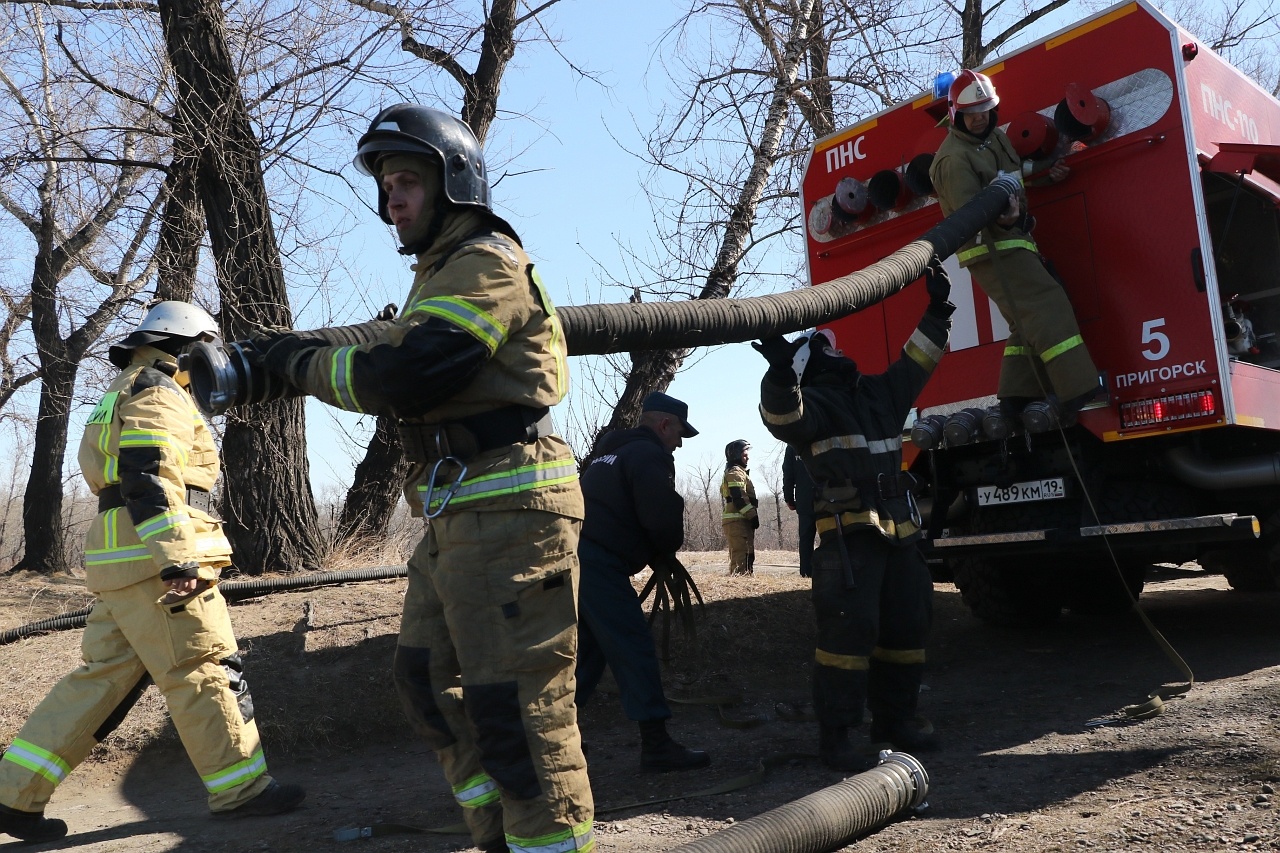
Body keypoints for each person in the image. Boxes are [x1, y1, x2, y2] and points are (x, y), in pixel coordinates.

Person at [251, 104, 592, 853]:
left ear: (455, 185)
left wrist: (294, 363)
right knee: (424, 676)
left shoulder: (487, 260)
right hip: (460, 511)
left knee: (517, 709)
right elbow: (399, 357)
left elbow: (407, 371)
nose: (391, 198)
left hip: (512, 506)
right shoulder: (438, 275)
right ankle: (499, 835)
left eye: (407, 180)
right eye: (385, 185)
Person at [0, 301, 304, 843]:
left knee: (98, 683)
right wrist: (177, 558)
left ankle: (11, 796)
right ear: (187, 345)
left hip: (120, 561)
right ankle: (243, 791)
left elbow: (124, 476)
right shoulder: (162, 391)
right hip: (154, 558)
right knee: (204, 670)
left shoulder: (121, 388)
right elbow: (150, 474)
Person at [752, 258, 953, 772]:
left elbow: (919, 360)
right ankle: (838, 736)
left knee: (907, 626)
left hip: (900, 534)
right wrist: (779, 374)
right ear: (812, 364)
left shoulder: (877, 392)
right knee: (847, 635)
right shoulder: (814, 404)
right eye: (824, 346)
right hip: (849, 539)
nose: (835, 347)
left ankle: (897, 722)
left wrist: (938, 310)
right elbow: (782, 417)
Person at [929, 69, 1100, 433]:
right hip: (989, 249)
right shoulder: (951, 159)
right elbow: (968, 215)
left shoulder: (993, 138)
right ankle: (1077, 391)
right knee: (1048, 303)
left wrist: (1043, 170)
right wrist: (1007, 221)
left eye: (986, 110)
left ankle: (1015, 399)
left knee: (1025, 324)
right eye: (971, 112)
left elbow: (1011, 173)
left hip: (1014, 239)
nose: (979, 118)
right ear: (955, 114)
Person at [575, 391, 711, 773]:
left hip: (579, 561)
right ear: (664, 424)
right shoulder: (650, 455)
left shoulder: (607, 453)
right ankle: (656, 747)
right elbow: (659, 520)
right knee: (634, 647)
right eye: (680, 433)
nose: (680, 443)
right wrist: (664, 548)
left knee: (588, 652)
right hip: (602, 565)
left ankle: (555, 739)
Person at [721, 440, 758, 576]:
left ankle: (746, 578)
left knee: (747, 553)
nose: (747, 457)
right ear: (736, 455)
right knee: (740, 555)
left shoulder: (739, 472)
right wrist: (752, 515)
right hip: (737, 521)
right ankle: (740, 580)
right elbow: (739, 498)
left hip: (741, 521)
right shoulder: (735, 472)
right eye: (744, 454)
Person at [782, 443, 817, 578]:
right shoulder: (822, 437)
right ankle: (826, 571)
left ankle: (806, 572)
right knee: (829, 536)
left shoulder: (792, 445)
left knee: (806, 538)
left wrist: (789, 497)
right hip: (825, 499)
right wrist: (789, 497)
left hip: (805, 499)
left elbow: (788, 473)